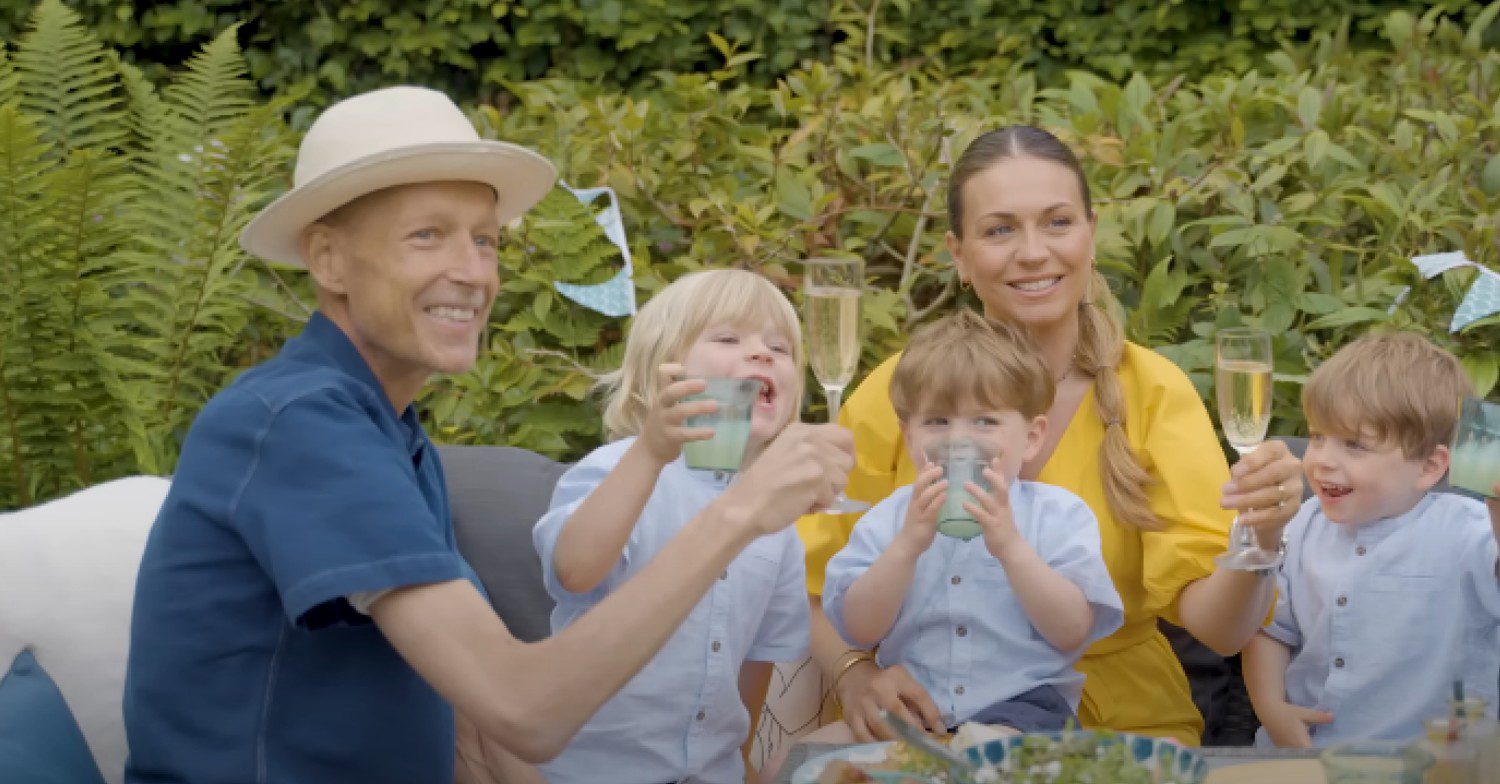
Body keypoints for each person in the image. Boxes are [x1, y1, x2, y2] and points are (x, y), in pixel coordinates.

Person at [121, 86, 854, 784]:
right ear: (327, 259)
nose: (472, 273)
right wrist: (739, 512)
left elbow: (471, 724)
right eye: (427, 236)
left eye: (485, 241)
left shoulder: (392, 436)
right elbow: (526, 710)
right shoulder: (297, 424)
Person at [796, 125, 1305, 746]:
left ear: (1091, 234)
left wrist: (1264, 536)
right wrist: (854, 675)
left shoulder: (1153, 392)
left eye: (1058, 222)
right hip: (925, 719)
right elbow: (814, 585)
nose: (1033, 252)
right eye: (1000, 229)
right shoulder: (896, 394)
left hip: (1122, 723)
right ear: (959, 254)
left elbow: (1220, 632)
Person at [532, 269, 812, 784]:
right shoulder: (620, 468)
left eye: (780, 347)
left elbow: (757, 663)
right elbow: (575, 572)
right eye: (729, 338)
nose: (762, 354)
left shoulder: (779, 523)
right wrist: (650, 453)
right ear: (662, 373)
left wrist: (741, 764)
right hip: (590, 772)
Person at [819, 310, 1124, 738]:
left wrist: (1011, 549)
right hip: (909, 703)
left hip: (1022, 707)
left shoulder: (1058, 516)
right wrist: (906, 547)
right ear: (909, 437)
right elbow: (859, 628)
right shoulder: (890, 518)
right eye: (938, 421)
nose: (958, 440)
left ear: (1032, 438)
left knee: (986, 755)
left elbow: (1072, 631)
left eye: (985, 421)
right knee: (795, 762)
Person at [1243, 332, 1500, 748]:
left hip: (1430, 762)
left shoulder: (1467, 531)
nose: (1323, 459)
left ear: (1429, 467)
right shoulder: (1302, 525)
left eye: (1355, 446)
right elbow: (1272, 630)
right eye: (1316, 436)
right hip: (1306, 749)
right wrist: (1271, 708)